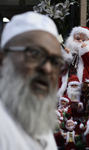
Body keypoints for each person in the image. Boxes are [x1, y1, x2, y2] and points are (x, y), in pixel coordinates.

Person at [0, 12, 64, 150]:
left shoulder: (39, 123)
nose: (47, 68)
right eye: (35, 54)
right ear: (2, 60)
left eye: (55, 62)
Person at [57, 26, 89, 98]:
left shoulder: (87, 54)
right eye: (77, 39)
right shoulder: (69, 51)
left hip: (81, 79)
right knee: (64, 90)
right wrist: (67, 54)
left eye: (84, 40)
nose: (80, 41)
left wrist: (85, 49)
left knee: (80, 94)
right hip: (68, 76)